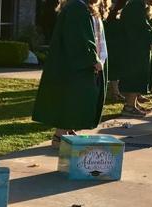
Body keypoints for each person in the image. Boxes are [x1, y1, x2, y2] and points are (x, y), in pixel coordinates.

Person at [33, 0, 108, 144]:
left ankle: (67, 131)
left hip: (74, 64)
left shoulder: (79, 6)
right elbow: (79, 38)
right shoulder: (77, 8)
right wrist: (93, 58)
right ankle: (60, 136)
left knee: (76, 99)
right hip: (74, 65)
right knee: (71, 99)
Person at [117, 0, 152, 116]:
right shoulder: (135, 6)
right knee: (135, 75)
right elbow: (143, 26)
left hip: (135, 47)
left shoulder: (138, 5)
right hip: (134, 48)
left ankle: (134, 103)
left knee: (138, 75)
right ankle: (129, 107)